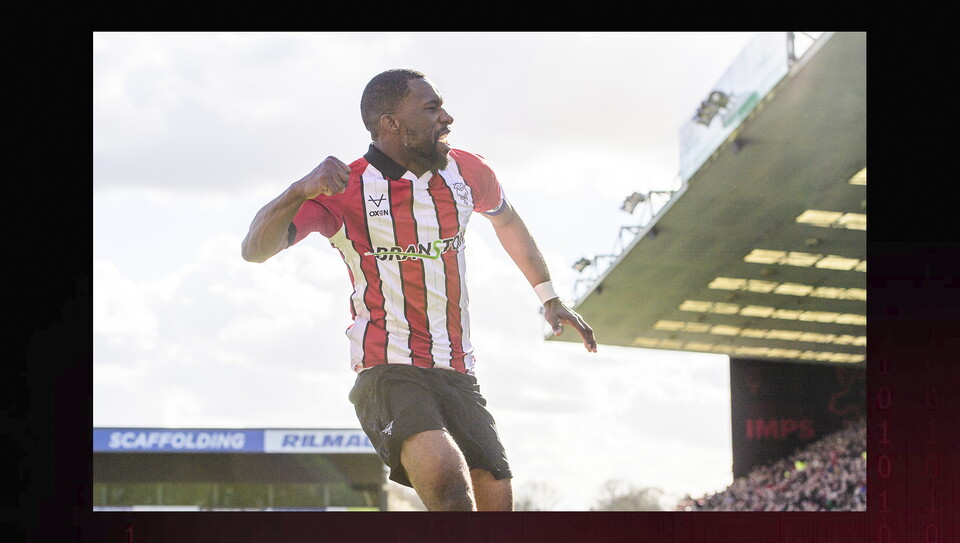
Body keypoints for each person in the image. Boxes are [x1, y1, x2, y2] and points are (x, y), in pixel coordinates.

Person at [241, 68, 597, 511]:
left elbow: (506, 219)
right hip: (388, 370)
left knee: (496, 504)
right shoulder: (344, 188)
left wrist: (549, 295)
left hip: (458, 370)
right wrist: (299, 190)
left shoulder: (468, 171)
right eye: (431, 108)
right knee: (449, 486)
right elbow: (254, 249)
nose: (446, 118)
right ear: (391, 123)